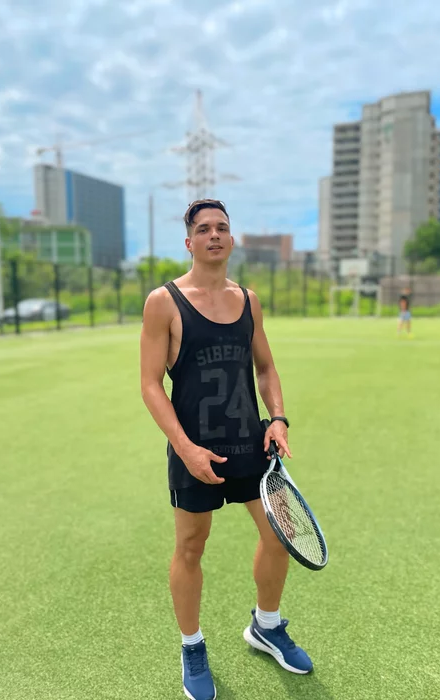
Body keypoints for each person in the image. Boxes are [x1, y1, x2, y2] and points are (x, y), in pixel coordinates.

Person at [140, 200, 313, 700]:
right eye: (203, 229)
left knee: (279, 534)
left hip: (249, 443)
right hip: (194, 449)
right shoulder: (164, 301)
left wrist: (277, 417)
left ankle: (266, 626)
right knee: (191, 548)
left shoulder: (248, 300)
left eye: (221, 227)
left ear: (232, 240)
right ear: (189, 242)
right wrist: (185, 448)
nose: (213, 235)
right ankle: (192, 646)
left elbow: (266, 368)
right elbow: (150, 385)